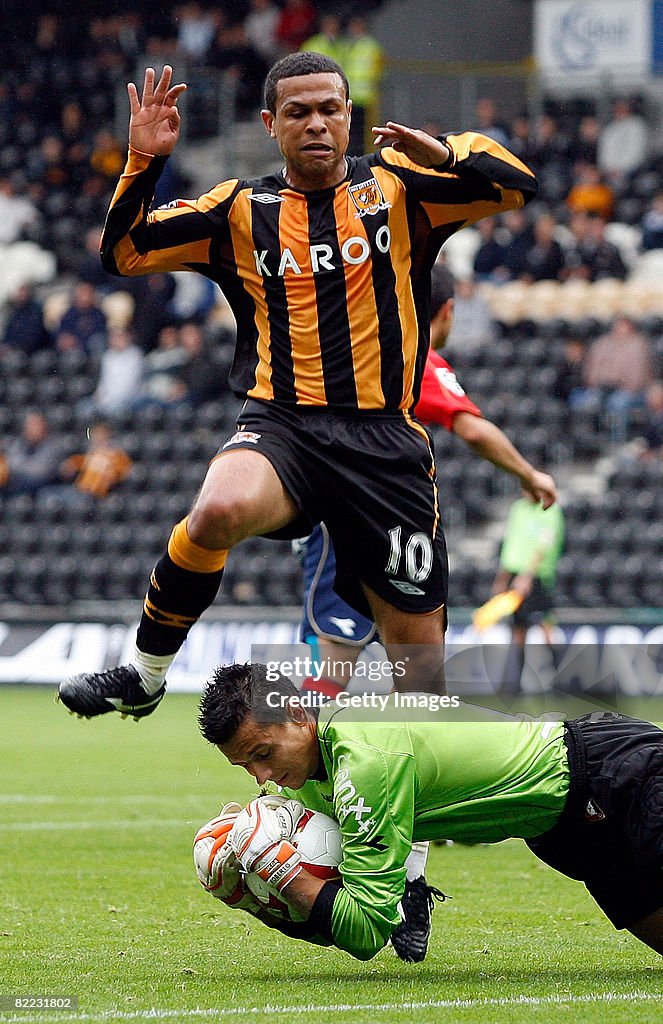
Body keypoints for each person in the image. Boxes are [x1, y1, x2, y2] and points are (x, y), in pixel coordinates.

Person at [58, 54, 537, 722]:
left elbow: (518, 187)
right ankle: (144, 673)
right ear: (270, 124)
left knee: (419, 678)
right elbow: (126, 252)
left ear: (350, 117)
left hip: (384, 448)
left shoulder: (404, 186)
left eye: (330, 110)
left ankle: (409, 825)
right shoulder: (236, 210)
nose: (316, 124)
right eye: (298, 112)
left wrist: (449, 152)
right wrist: (143, 160)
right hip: (284, 427)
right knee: (217, 509)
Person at [195, 662, 663, 961]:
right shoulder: (308, 777)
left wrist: (277, 870)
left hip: (613, 773)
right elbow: (334, 923)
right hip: (563, 826)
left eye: (262, 753)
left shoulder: (364, 759)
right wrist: (247, 896)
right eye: (245, 766)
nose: (262, 779)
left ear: (298, 714)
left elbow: (366, 931)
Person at [298, 264, 557, 696]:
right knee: (401, 668)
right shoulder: (413, 354)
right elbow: (472, 427)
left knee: (335, 655)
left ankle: (314, 751)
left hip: (344, 514)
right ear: (448, 311)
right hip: (379, 520)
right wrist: (529, 474)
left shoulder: (356, 346)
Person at [490, 493, 565, 694]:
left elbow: (544, 544)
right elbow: (511, 544)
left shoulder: (550, 508)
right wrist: (503, 577)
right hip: (515, 576)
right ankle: (515, 684)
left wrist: (527, 576)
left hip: (537, 577)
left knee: (545, 624)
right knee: (518, 628)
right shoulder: (518, 508)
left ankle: (561, 680)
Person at [0, 411, 63, 497]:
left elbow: (40, 472)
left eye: (38, 424)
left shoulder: (53, 446)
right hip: (16, 488)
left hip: (43, 489)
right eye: (31, 424)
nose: (35, 428)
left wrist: (17, 470)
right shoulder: (17, 443)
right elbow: (11, 464)